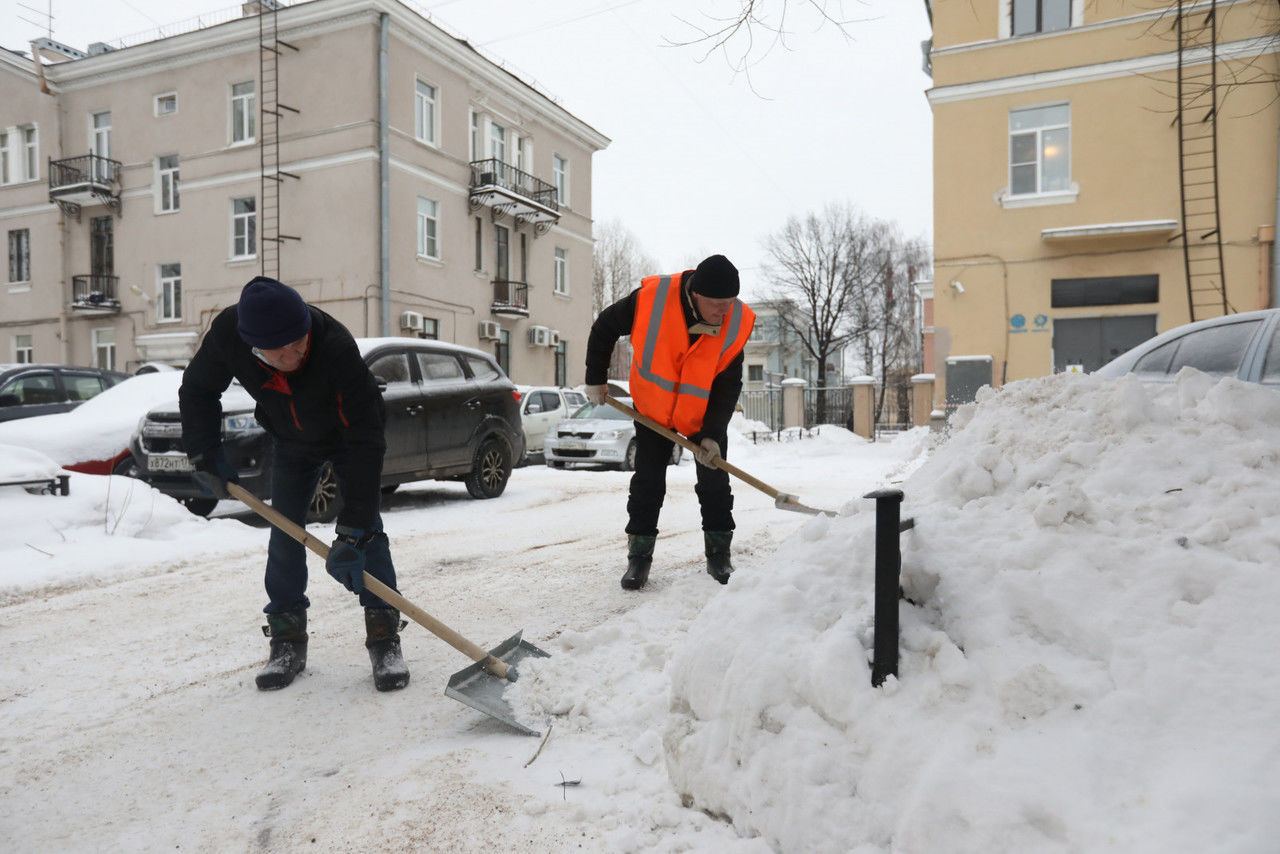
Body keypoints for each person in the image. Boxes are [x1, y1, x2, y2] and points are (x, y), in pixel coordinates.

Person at [178, 276, 409, 692]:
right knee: (284, 534)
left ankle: (384, 637)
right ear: (253, 347)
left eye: (299, 343)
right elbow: (197, 390)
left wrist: (352, 530)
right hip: (291, 440)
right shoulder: (229, 335)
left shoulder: (333, 346)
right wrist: (204, 453)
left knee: (368, 533)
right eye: (280, 351)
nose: (295, 354)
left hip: (347, 437)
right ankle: (287, 640)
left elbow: (365, 441)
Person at [584, 254, 756, 590]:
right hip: (654, 411)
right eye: (718, 304)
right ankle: (639, 558)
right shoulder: (650, 300)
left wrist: (711, 434)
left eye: (730, 302)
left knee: (715, 483)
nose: (725, 311)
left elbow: (728, 384)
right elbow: (604, 326)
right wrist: (596, 378)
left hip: (703, 414)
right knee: (648, 482)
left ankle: (719, 554)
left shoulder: (735, 323)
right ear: (696, 295)